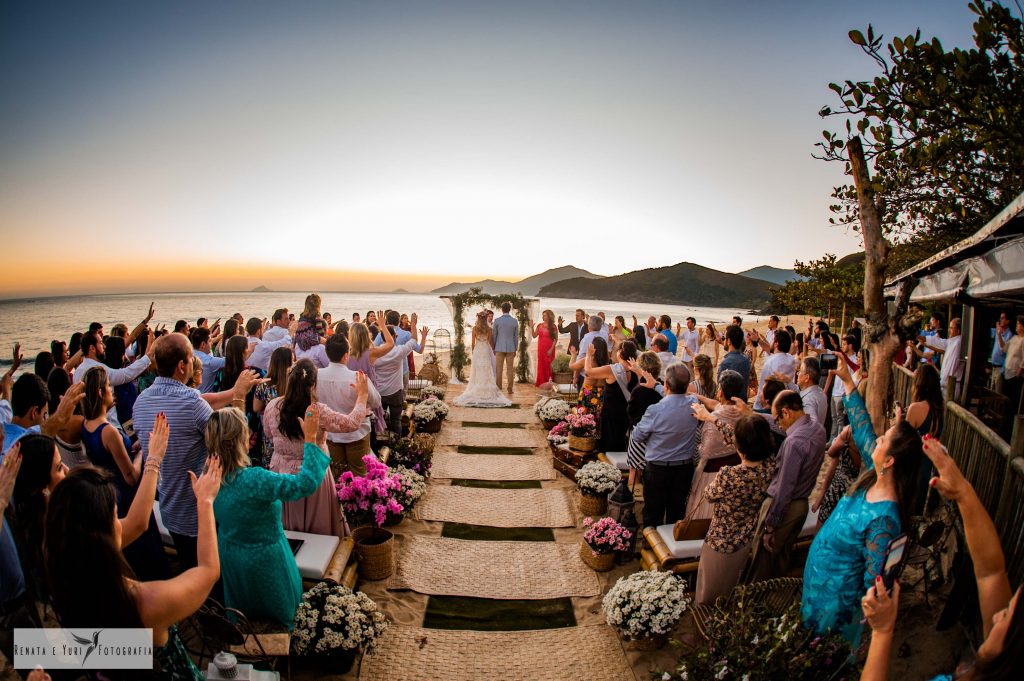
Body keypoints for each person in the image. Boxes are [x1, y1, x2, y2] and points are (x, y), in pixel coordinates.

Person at [46, 428, 221, 681]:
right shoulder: (142, 605)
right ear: (100, 537)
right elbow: (208, 572)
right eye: (116, 517)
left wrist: (154, 460)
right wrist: (205, 502)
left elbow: (137, 522)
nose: (120, 523)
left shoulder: (60, 572)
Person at [860, 435, 1023, 681]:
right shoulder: (999, 657)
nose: (998, 614)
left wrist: (882, 632)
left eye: (1007, 615)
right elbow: (991, 572)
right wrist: (963, 493)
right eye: (1008, 607)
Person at [801, 357, 922, 649]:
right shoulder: (873, 472)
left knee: (822, 660)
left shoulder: (885, 519)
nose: (876, 441)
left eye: (884, 441)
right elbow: (863, 426)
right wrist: (847, 380)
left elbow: (876, 583)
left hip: (836, 606)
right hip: (817, 586)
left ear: (890, 460)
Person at [132, 333, 261, 570]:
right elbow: (233, 444)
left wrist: (233, 391)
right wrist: (239, 396)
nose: (194, 362)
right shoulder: (191, 403)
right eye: (191, 358)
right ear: (182, 366)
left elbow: (203, 402)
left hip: (169, 507)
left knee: (187, 563)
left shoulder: (141, 401)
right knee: (212, 572)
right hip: (200, 510)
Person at [209, 405, 329, 628]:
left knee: (241, 616)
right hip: (267, 559)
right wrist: (310, 439)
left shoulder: (208, 478)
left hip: (231, 556)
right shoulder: (256, 480)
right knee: (283, 617)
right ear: (242, 441)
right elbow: (305, 483)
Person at [80, 366, 169, 580]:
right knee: (145, 545)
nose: (113, 391)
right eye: (109, 387)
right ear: (101, 393)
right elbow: (130, 476)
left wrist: (131, 446)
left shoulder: (86, 424)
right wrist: (145, 453)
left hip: (111, 491)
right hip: (127, 494)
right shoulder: (107, 431)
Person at [264, 359, 369, 536]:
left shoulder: (273, 406)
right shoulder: (316, 411)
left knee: (286, 530)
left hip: (280, 473)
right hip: (311, 472)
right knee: (319, 529)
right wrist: (362, 396)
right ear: (313, 384)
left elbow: (268, 432)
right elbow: (351, 423)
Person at [695, 415, 777, 606]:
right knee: (732, 583)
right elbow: (741, 438)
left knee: (709, 590)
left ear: (739, 447)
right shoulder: (770, 465)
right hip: (747, 537)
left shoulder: (729, 475)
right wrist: (713, 419)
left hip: (720, 539)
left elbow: (709, 494)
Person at [748, 390, 826, 582]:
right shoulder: (817, 429)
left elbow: (784, 487)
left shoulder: (793, 442)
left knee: (763, 562)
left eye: (778, 419)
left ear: (786, 412)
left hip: (784, 506)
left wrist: (770, 526)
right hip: (801, 505)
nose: (778, 425)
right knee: (782, 560)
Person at [631, 364, 700, 528]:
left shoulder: (655, 410)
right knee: (676, 513)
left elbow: (637, 436)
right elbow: (677, 396)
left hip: (658, 471)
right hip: (684, 469)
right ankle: (670, 549)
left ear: (667, 384)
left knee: (652, 514)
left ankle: (649, 548)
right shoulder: (694, 402)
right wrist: (656, 384)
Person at [687, 369, 747, 519]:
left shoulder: (713, 419)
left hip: (713, 474)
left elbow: (705, 452)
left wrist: (697, 445)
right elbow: (715, 404)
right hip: (736, 467)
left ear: (720, 391)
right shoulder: (742, 412)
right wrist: (697, 396)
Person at [320, 334, 381, 477]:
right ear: (346, 355)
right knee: (359, 474)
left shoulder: (316, 376)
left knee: (337, 474)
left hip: (331, 434)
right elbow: (376, 401)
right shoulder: (357, 377)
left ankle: (339, 499)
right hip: (357, 433)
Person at [584, 339, 639, 453]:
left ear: (620, 353)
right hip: (626, 412)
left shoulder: (611, 370)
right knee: (621, 440)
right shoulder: (636, 371)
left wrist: (589, 355)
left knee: (608, 442)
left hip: (611, 413)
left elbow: (588, 371)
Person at [375, 324, 427, 433]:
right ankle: (397, 445)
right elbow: (413, 341)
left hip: (379, 392)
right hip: (395, 392)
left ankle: (379, 444)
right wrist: (413, 324)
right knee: (396, 421)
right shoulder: (399, 351)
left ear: (381, 336)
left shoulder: (374, 353)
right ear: (394, 336)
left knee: (378, 420)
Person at [454, 311, 512, 408]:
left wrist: (474, 352)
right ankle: (485, 388)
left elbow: (472, 343)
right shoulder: (489, 329)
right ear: (485, 319)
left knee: (477, 370)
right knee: (486, 369)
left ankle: (477, 388)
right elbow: (490, 342)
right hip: (485, 350)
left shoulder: (475, 329)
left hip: (478, 350)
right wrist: (493, 349)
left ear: (478, 318)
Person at [624, 351, 664, 485]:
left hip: (639, 435)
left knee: (634, 470)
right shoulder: (662, 387)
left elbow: (631, 412)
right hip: (658, 437)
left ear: (643, 369)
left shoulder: (639, 390)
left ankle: (632, 495)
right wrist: (638, 371)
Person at [252, 346, 292, 468]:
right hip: (291, 432)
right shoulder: (295, 382)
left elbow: (256, 408)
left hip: (271, 432)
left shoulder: (265, 385)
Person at [754, 330, 800, 411]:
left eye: (772, 340)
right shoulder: (791, 359)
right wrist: (758, 340)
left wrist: (758, 405)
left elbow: (763, 384)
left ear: (776, 343)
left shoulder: (770, 362)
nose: (770, 342)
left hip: (770, 403)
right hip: (786, 401)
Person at [926, 317, 964, 401]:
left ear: (958, 331)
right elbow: (937, 342)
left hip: (951, 387)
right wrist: (923, 339)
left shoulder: (958, 343)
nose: (949, 330)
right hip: (945, 385)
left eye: (951, 328)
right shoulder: (952, 342)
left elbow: (951, 367)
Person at [492, 302, 519, 394]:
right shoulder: (514, 321)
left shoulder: (497, 321)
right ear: (510, 309)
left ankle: (499, 387)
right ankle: (510, 388)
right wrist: (515, 348)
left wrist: (494, 347)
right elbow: (516, 337)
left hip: (499, 347)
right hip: (511, 348)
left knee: (499, 369)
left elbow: (494, 335)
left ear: (502, 309)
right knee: (510, 369)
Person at [191, 327, 226, 393]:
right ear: (203, 344)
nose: (212, 343)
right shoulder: (209, 362)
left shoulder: (187, 355)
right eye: (210, 341)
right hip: (205, 399)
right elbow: (231, 360)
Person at [797, 357, 827, 427]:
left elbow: (812, 426)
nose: (797, 374)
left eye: (800, 371)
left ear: (807, 378)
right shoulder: (820, 391)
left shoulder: (808, 400)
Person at [532, 310, 557, 388]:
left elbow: (555, 339)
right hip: (541, 349)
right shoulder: (539, 325)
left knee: (549, 366)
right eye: (543, 315)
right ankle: (541, 382)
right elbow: (534, 336)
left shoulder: (553, 326)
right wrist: (531, 327)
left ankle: (549, 383)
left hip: (549, 349)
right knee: (541, 365)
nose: (543, 317)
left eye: (545, 315)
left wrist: (551, 349)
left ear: (549, 316)